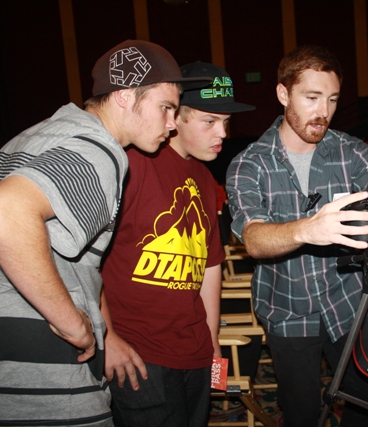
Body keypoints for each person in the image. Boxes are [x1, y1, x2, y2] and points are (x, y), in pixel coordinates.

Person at [0, 39, 209, 426]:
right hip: (43, 375)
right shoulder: (98, 150)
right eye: (166, 107)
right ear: (126, 97)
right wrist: (71, 321)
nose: (171, 123)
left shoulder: (37, 137)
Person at [225, 45, 368, 427]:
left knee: (367, 407)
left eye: (332, 99)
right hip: (288, 312)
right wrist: (309, 229)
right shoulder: (249, 164)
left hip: (349, 306)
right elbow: (252, 238)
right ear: (284, 94)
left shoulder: (351, 152)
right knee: (300, 412)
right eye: (312, 97)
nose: (324, 111)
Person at [100, 61, 255, 427]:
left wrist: (213, 344)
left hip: (196, 352)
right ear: (175, 118)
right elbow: (85, 261)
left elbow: (210, 265)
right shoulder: (131, 165)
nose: (223, 133)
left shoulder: (204, 177)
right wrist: (106, 337)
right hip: (139, 354)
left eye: (226, 123)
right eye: (209, 121)